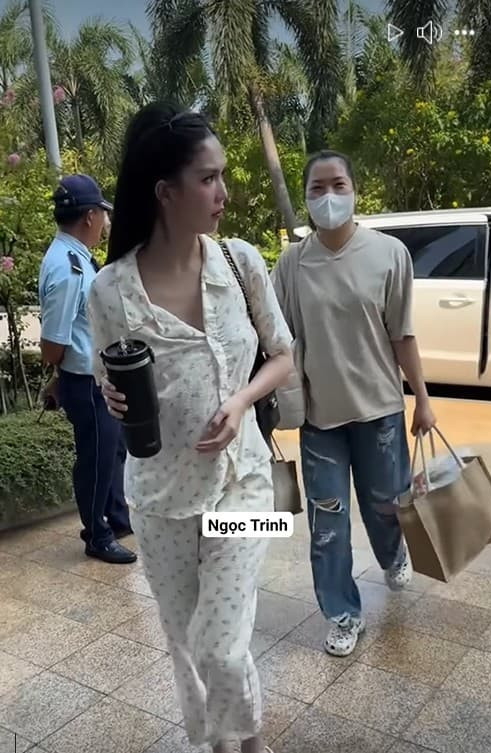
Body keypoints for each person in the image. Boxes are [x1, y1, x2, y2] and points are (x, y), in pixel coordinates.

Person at [87, 103, 293, 753]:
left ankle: (250, 743)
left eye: (222, 175)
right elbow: (106, 376)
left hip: (244, 484)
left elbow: (284, 357)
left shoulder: (240, 261)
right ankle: (221, 743)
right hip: (160, 500)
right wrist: (112, 396)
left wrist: (242, 401)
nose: (223, 192)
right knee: (185, 641)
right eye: (208, 178)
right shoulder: (111, 290)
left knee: (220, 644)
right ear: (165, 192)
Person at [271, 150, 436, 657]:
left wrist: (423, 400)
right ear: (305, 197)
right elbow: (275, 339)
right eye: (317, 188)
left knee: (387, 506)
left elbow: (402, 335)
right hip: (319, 418)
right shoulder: (291, 264)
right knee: (328, 524)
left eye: (337, 185)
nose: (328, 196)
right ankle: (343, 614)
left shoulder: (389, 254)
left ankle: (393, 553)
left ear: (354, 189)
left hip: (380, 411)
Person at [38, 174, 136, 565]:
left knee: (112, 450)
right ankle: (96, 535)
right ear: (90, 216)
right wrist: (60, 376)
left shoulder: (75, 257)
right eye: (103, 214)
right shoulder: (68, 269)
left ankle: (117, 518)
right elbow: (53, 344)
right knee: (95, 458)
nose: (106, 223)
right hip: (84, 380)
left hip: (94, 376)